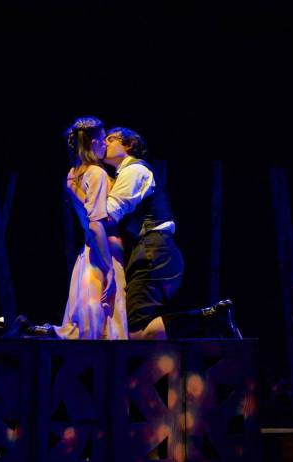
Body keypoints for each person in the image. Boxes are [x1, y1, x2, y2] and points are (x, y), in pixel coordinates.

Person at [101, 128, 236, 339]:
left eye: (110, 139)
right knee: (137, 331)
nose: (105, 142)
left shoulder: (134, 170)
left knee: (135, 331)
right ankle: (208, 321)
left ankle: (210, 319)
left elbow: (108, 215)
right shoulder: (127, 173)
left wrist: (80, 193)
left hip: (153, 251)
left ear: (129, 145)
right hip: (155, 251)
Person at [56, 117, 128, 339]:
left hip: (88, 253)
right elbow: (96, 224)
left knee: (86, 322)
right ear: (94, 142)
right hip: (102, 252)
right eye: (103, 138)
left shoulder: (73, 174)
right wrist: (109, 269)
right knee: (103, 326)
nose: (106, 143)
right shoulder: (96, 173)